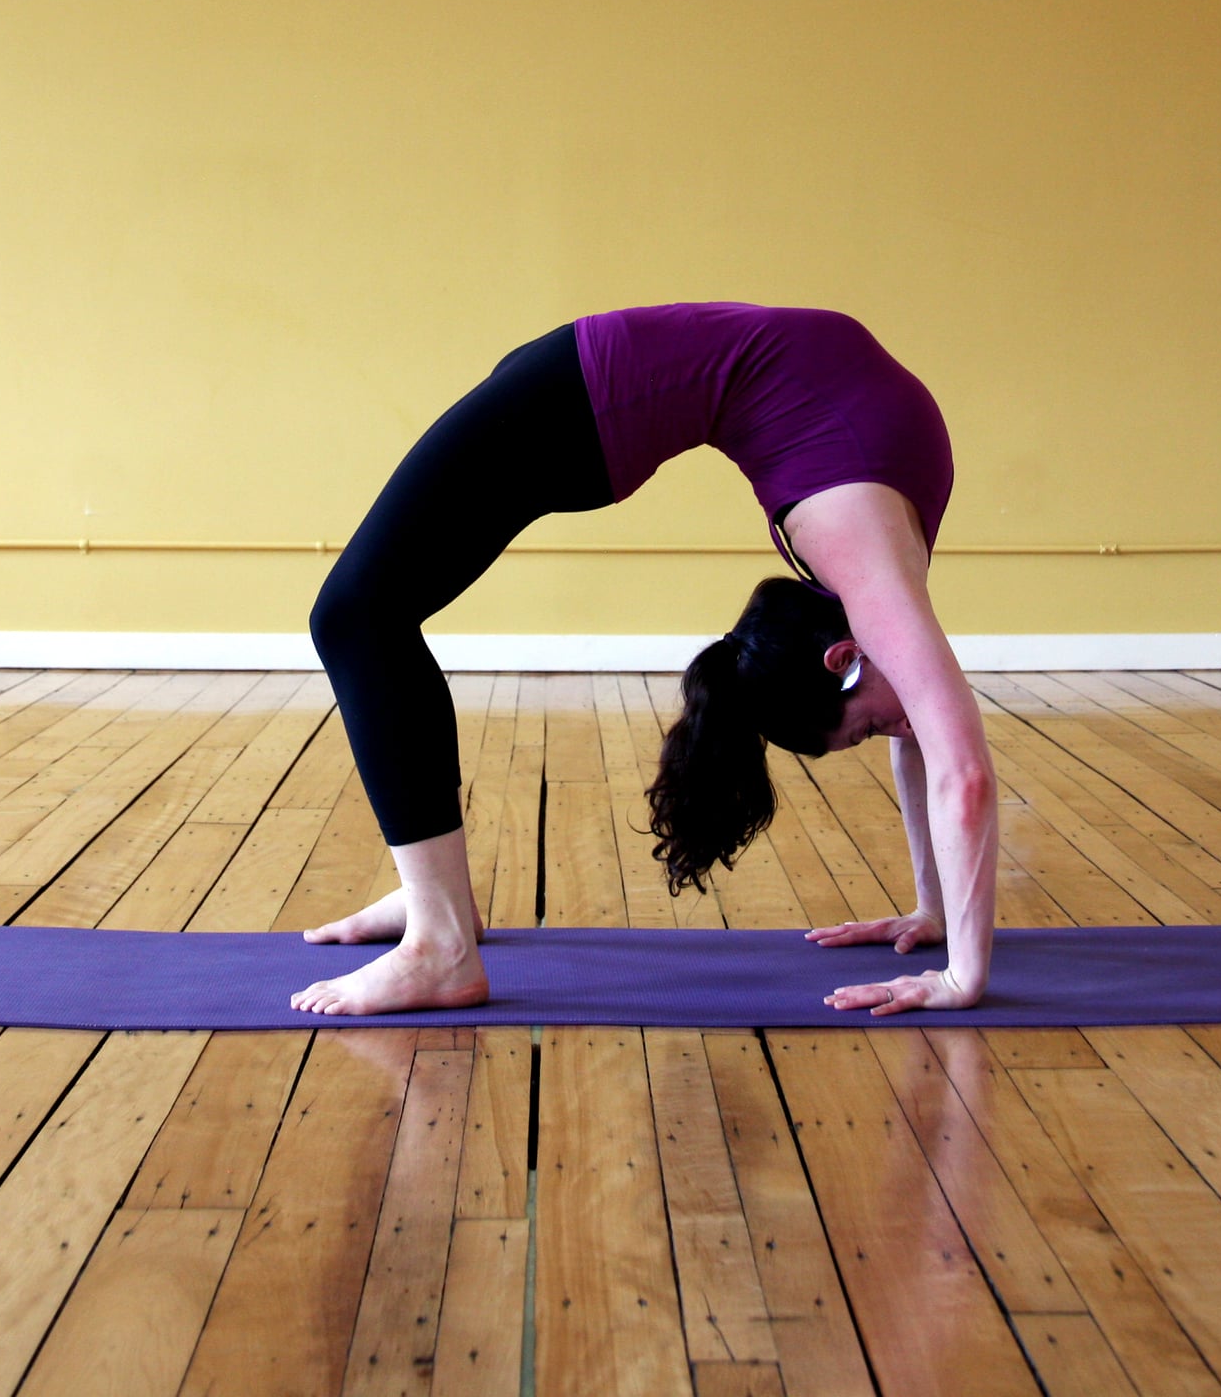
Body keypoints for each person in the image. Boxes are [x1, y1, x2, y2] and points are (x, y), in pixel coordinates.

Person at [293, 302, 998, 1018]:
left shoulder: (874, 569)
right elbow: (962, 775)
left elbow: (926, 737)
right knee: (355, 619)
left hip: (590, 380)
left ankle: (435, 907)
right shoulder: (868, 558)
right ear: (841, 658)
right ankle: (439, 936)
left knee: (367, 614)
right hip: (586, 392)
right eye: (865, 731)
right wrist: (959, 978)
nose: (890, 730)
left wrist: (932, 912)